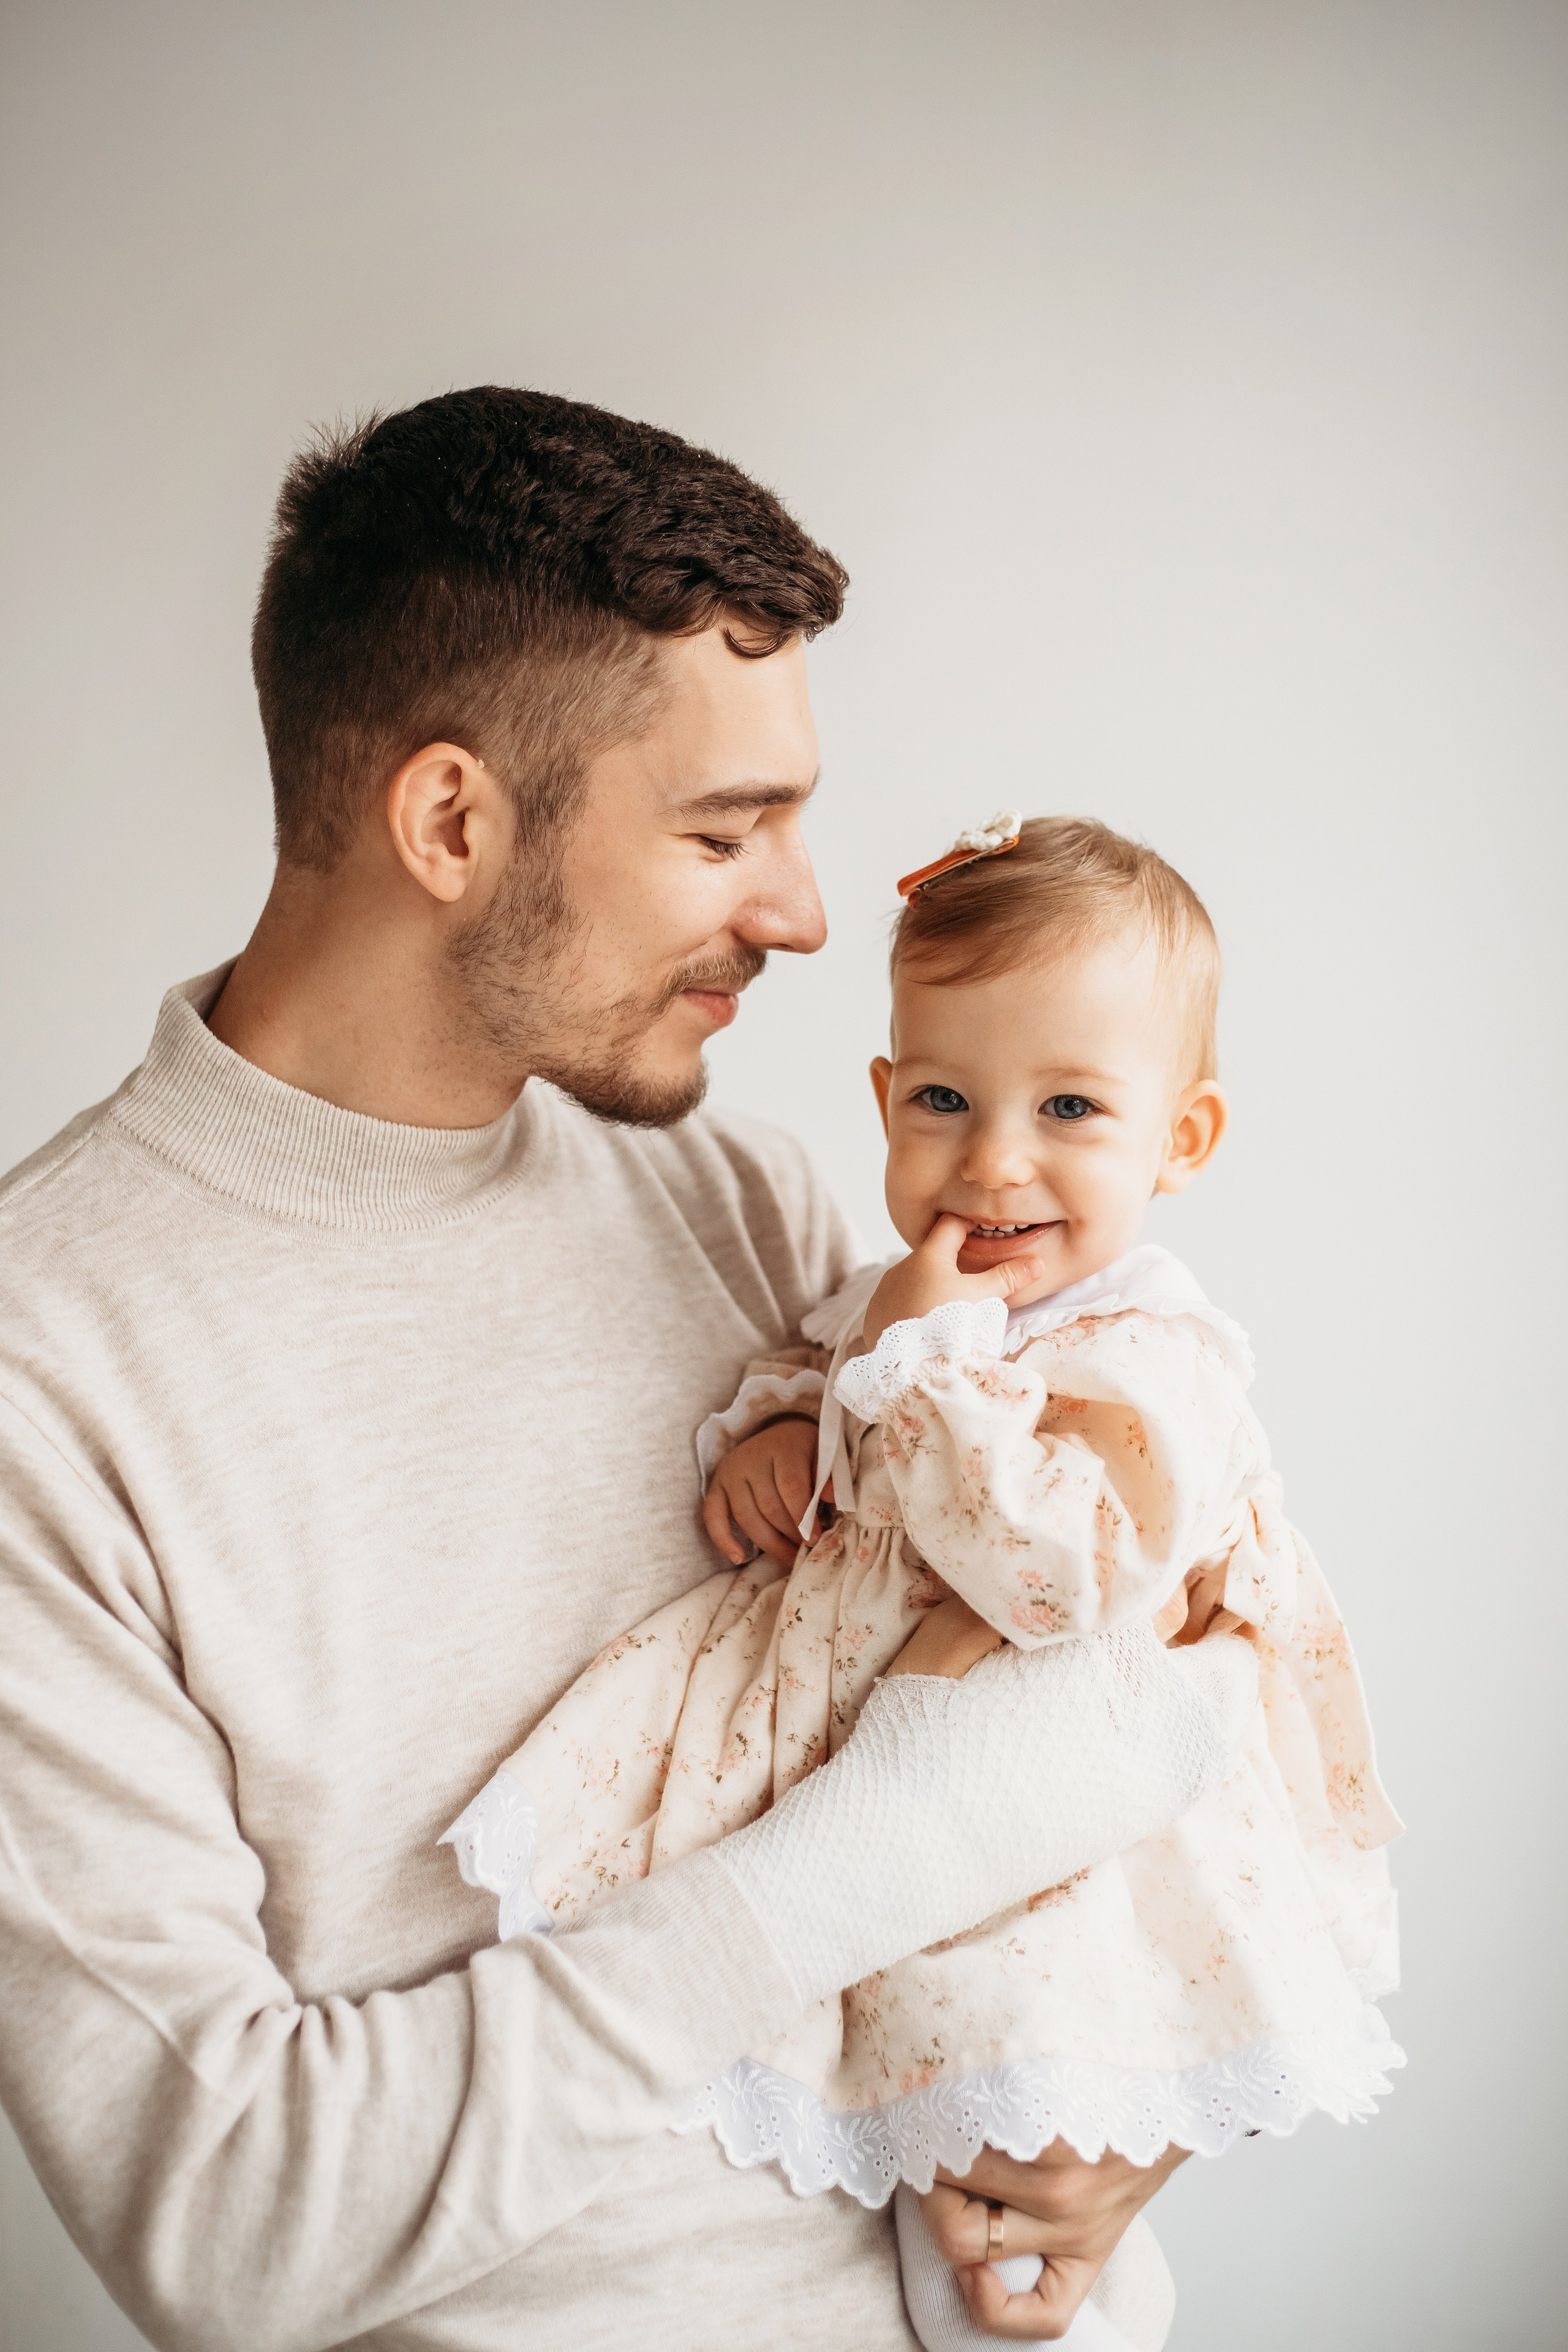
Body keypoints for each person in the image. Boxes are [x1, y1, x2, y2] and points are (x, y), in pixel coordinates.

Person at [0, 390, 1255, 2352]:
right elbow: (228, 2224)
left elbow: (1103, 1675)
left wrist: (1120, 2106)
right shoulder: (46, 1375)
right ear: (449, 822)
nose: (808, 910)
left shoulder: (730, 1195)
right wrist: (871, 1860)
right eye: (724, 828)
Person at [437, 815, 1404, 2350]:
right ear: (884, 1098)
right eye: (943, 1098)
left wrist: (913, 1367)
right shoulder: (910, 1305)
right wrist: (774, 1428)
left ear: (1184, 1139)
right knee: (892, 2123)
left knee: (997, 2164)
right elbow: (829, 1383)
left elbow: (1053, 1573)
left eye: (1070, 1107)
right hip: (891, 1818)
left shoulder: (1155, 1365)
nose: (994, 1161)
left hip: (1063, 1864)